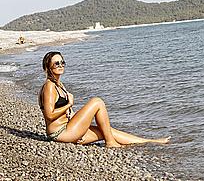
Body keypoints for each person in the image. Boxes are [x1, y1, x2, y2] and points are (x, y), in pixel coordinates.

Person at [38, 51, 170, 147]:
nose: (60, 65)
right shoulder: (49, 86)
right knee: (97, 102)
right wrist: (69, 104)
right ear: (48, 67)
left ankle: (150, 141)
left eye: (62, 62)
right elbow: (49, 115)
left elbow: (68, 113)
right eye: (56, 63)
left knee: (106, 130)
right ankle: (110, 143)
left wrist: (80, 126)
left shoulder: (59, 85)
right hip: (60, 133)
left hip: (70, 129)